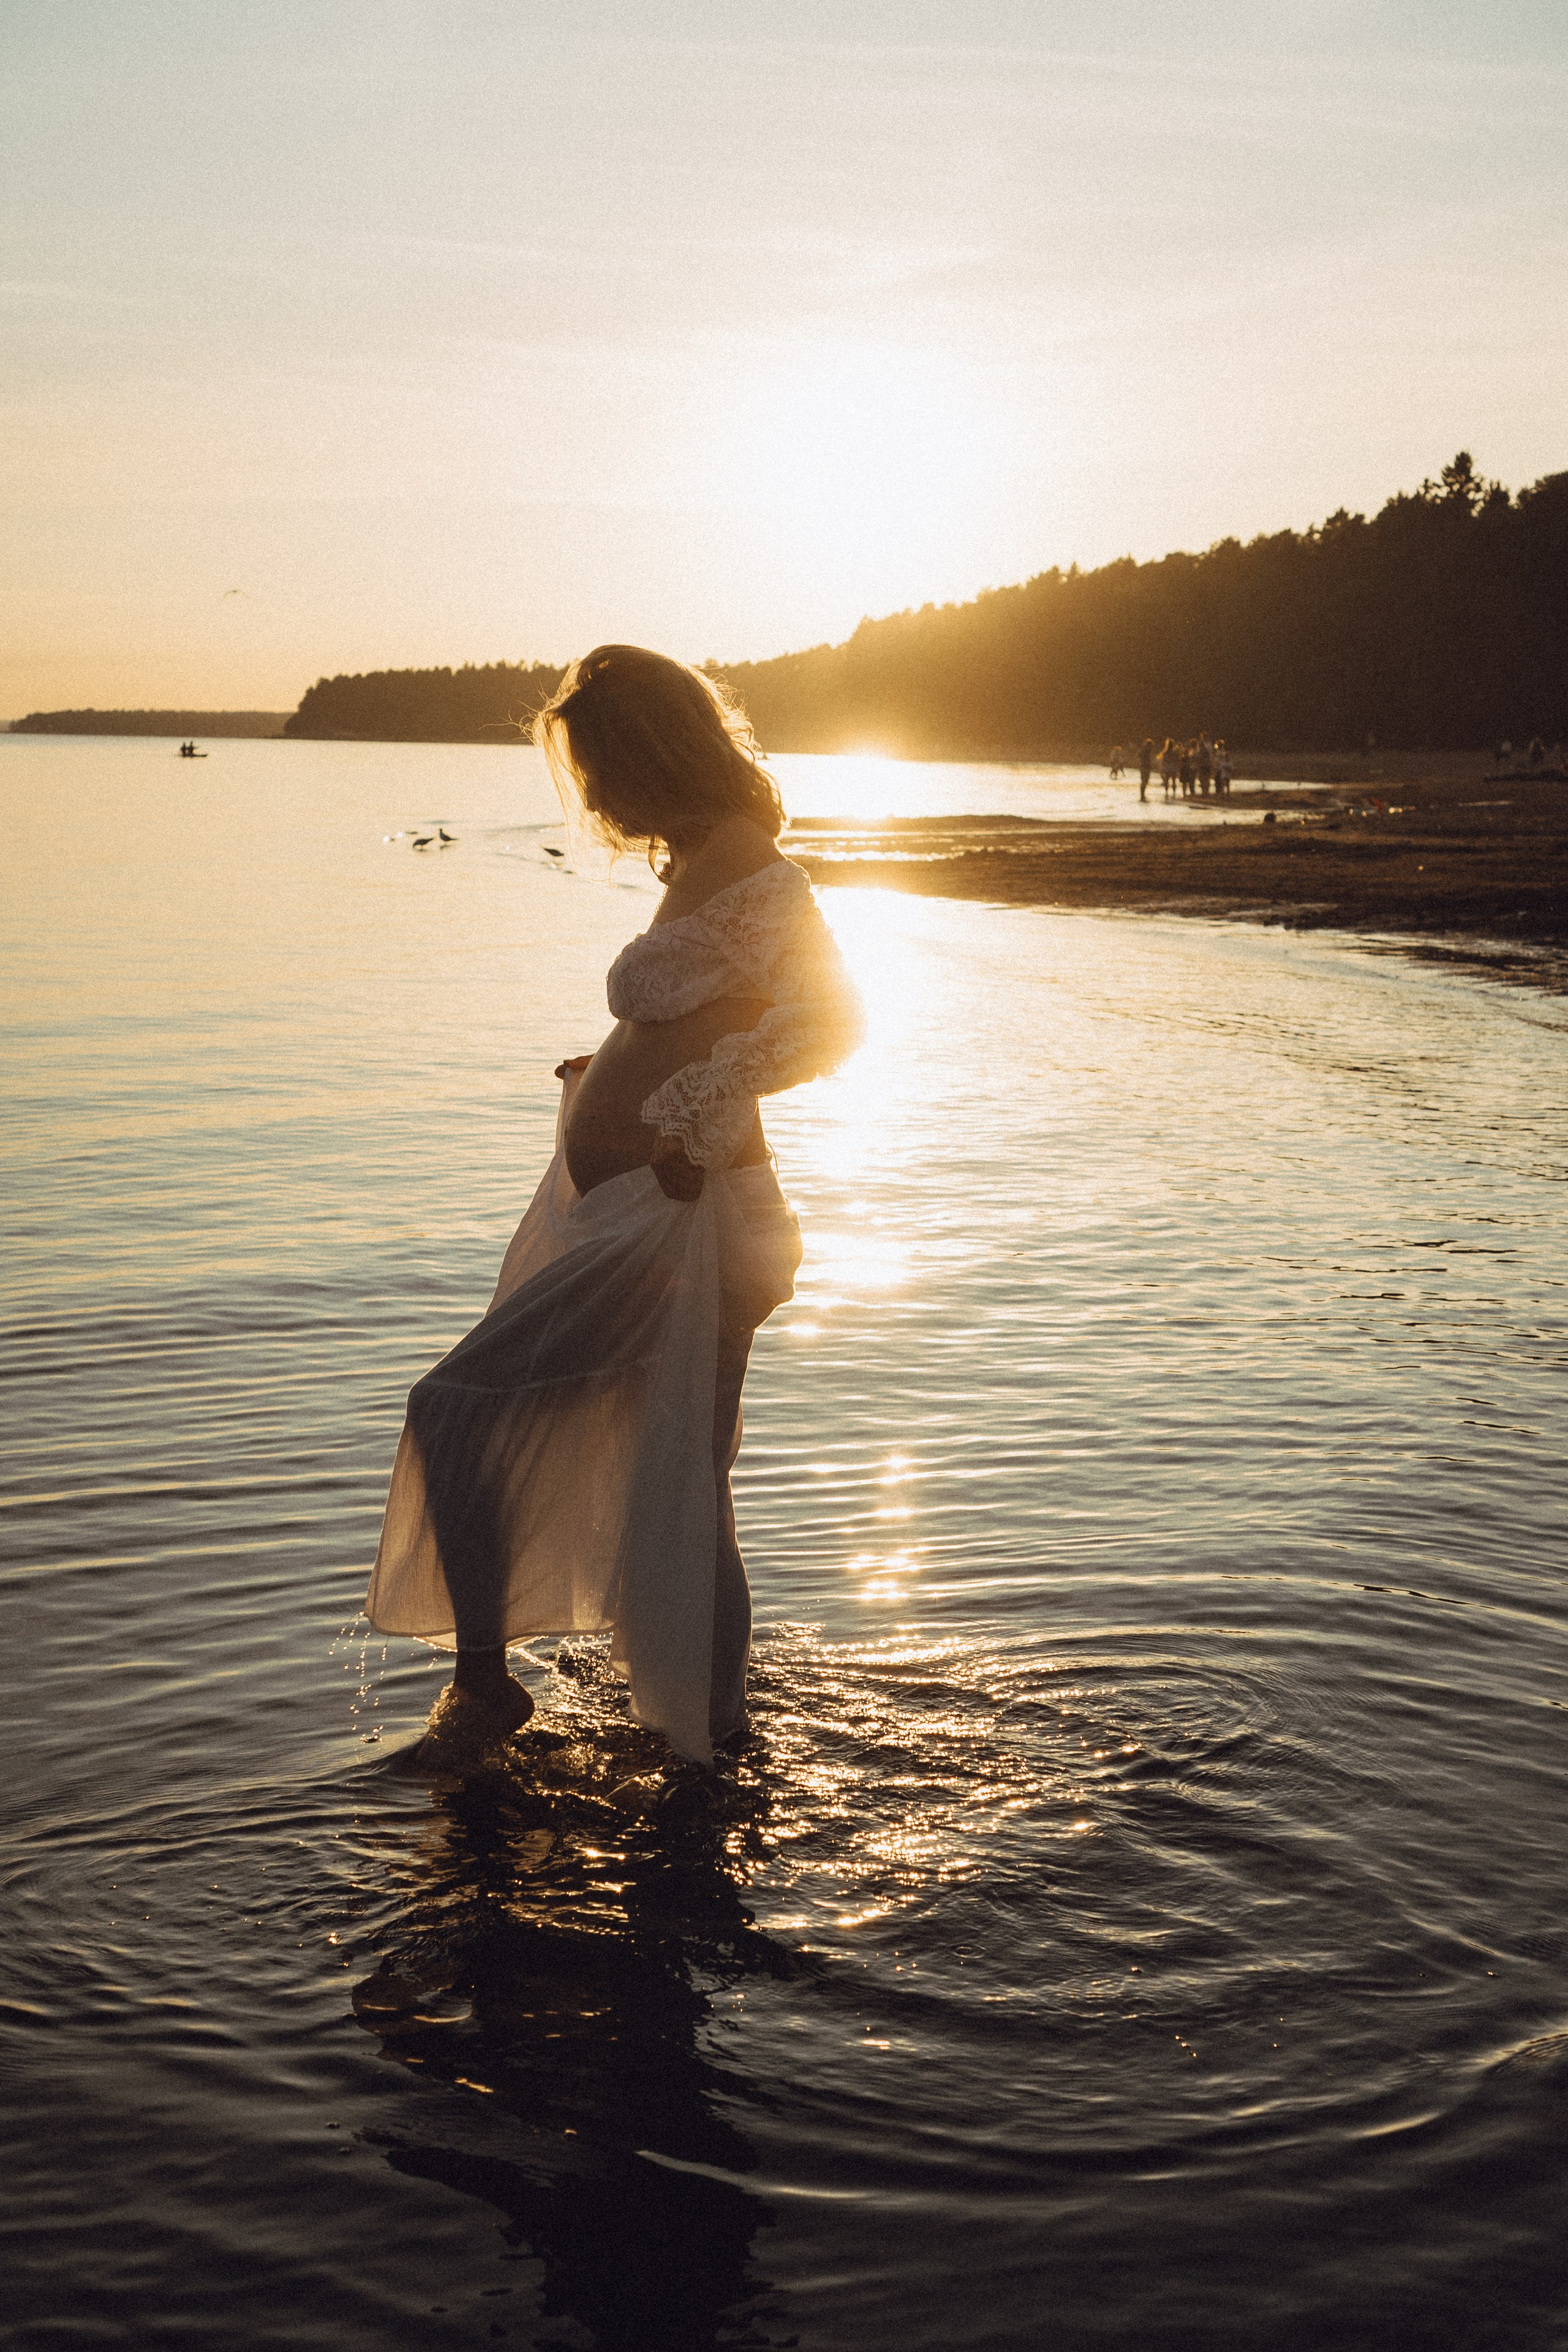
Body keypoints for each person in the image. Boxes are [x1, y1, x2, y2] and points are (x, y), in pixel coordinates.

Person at [366, 646, 864, 1769]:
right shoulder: (704, 856)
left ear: (650, 751)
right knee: (684, 1477)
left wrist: (689, 1101)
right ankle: (707, 1748)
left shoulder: (752, 864)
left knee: (461, 1409)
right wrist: (617, 1067)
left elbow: (833, 1022)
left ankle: (506, 1694)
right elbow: (716, 1009)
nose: (589, 796)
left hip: (689, 1207)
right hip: (651, 1203)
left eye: (598, 767)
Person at [1139, 737, 1154, 801]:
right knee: (1145, 781)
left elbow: (1138, 756)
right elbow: (1148, 760)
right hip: (1146, 767)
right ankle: (1143, 795)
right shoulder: (1148, 751)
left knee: (1143, 781)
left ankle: (1142, 795)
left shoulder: (1143, 750)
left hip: (1142, 767)